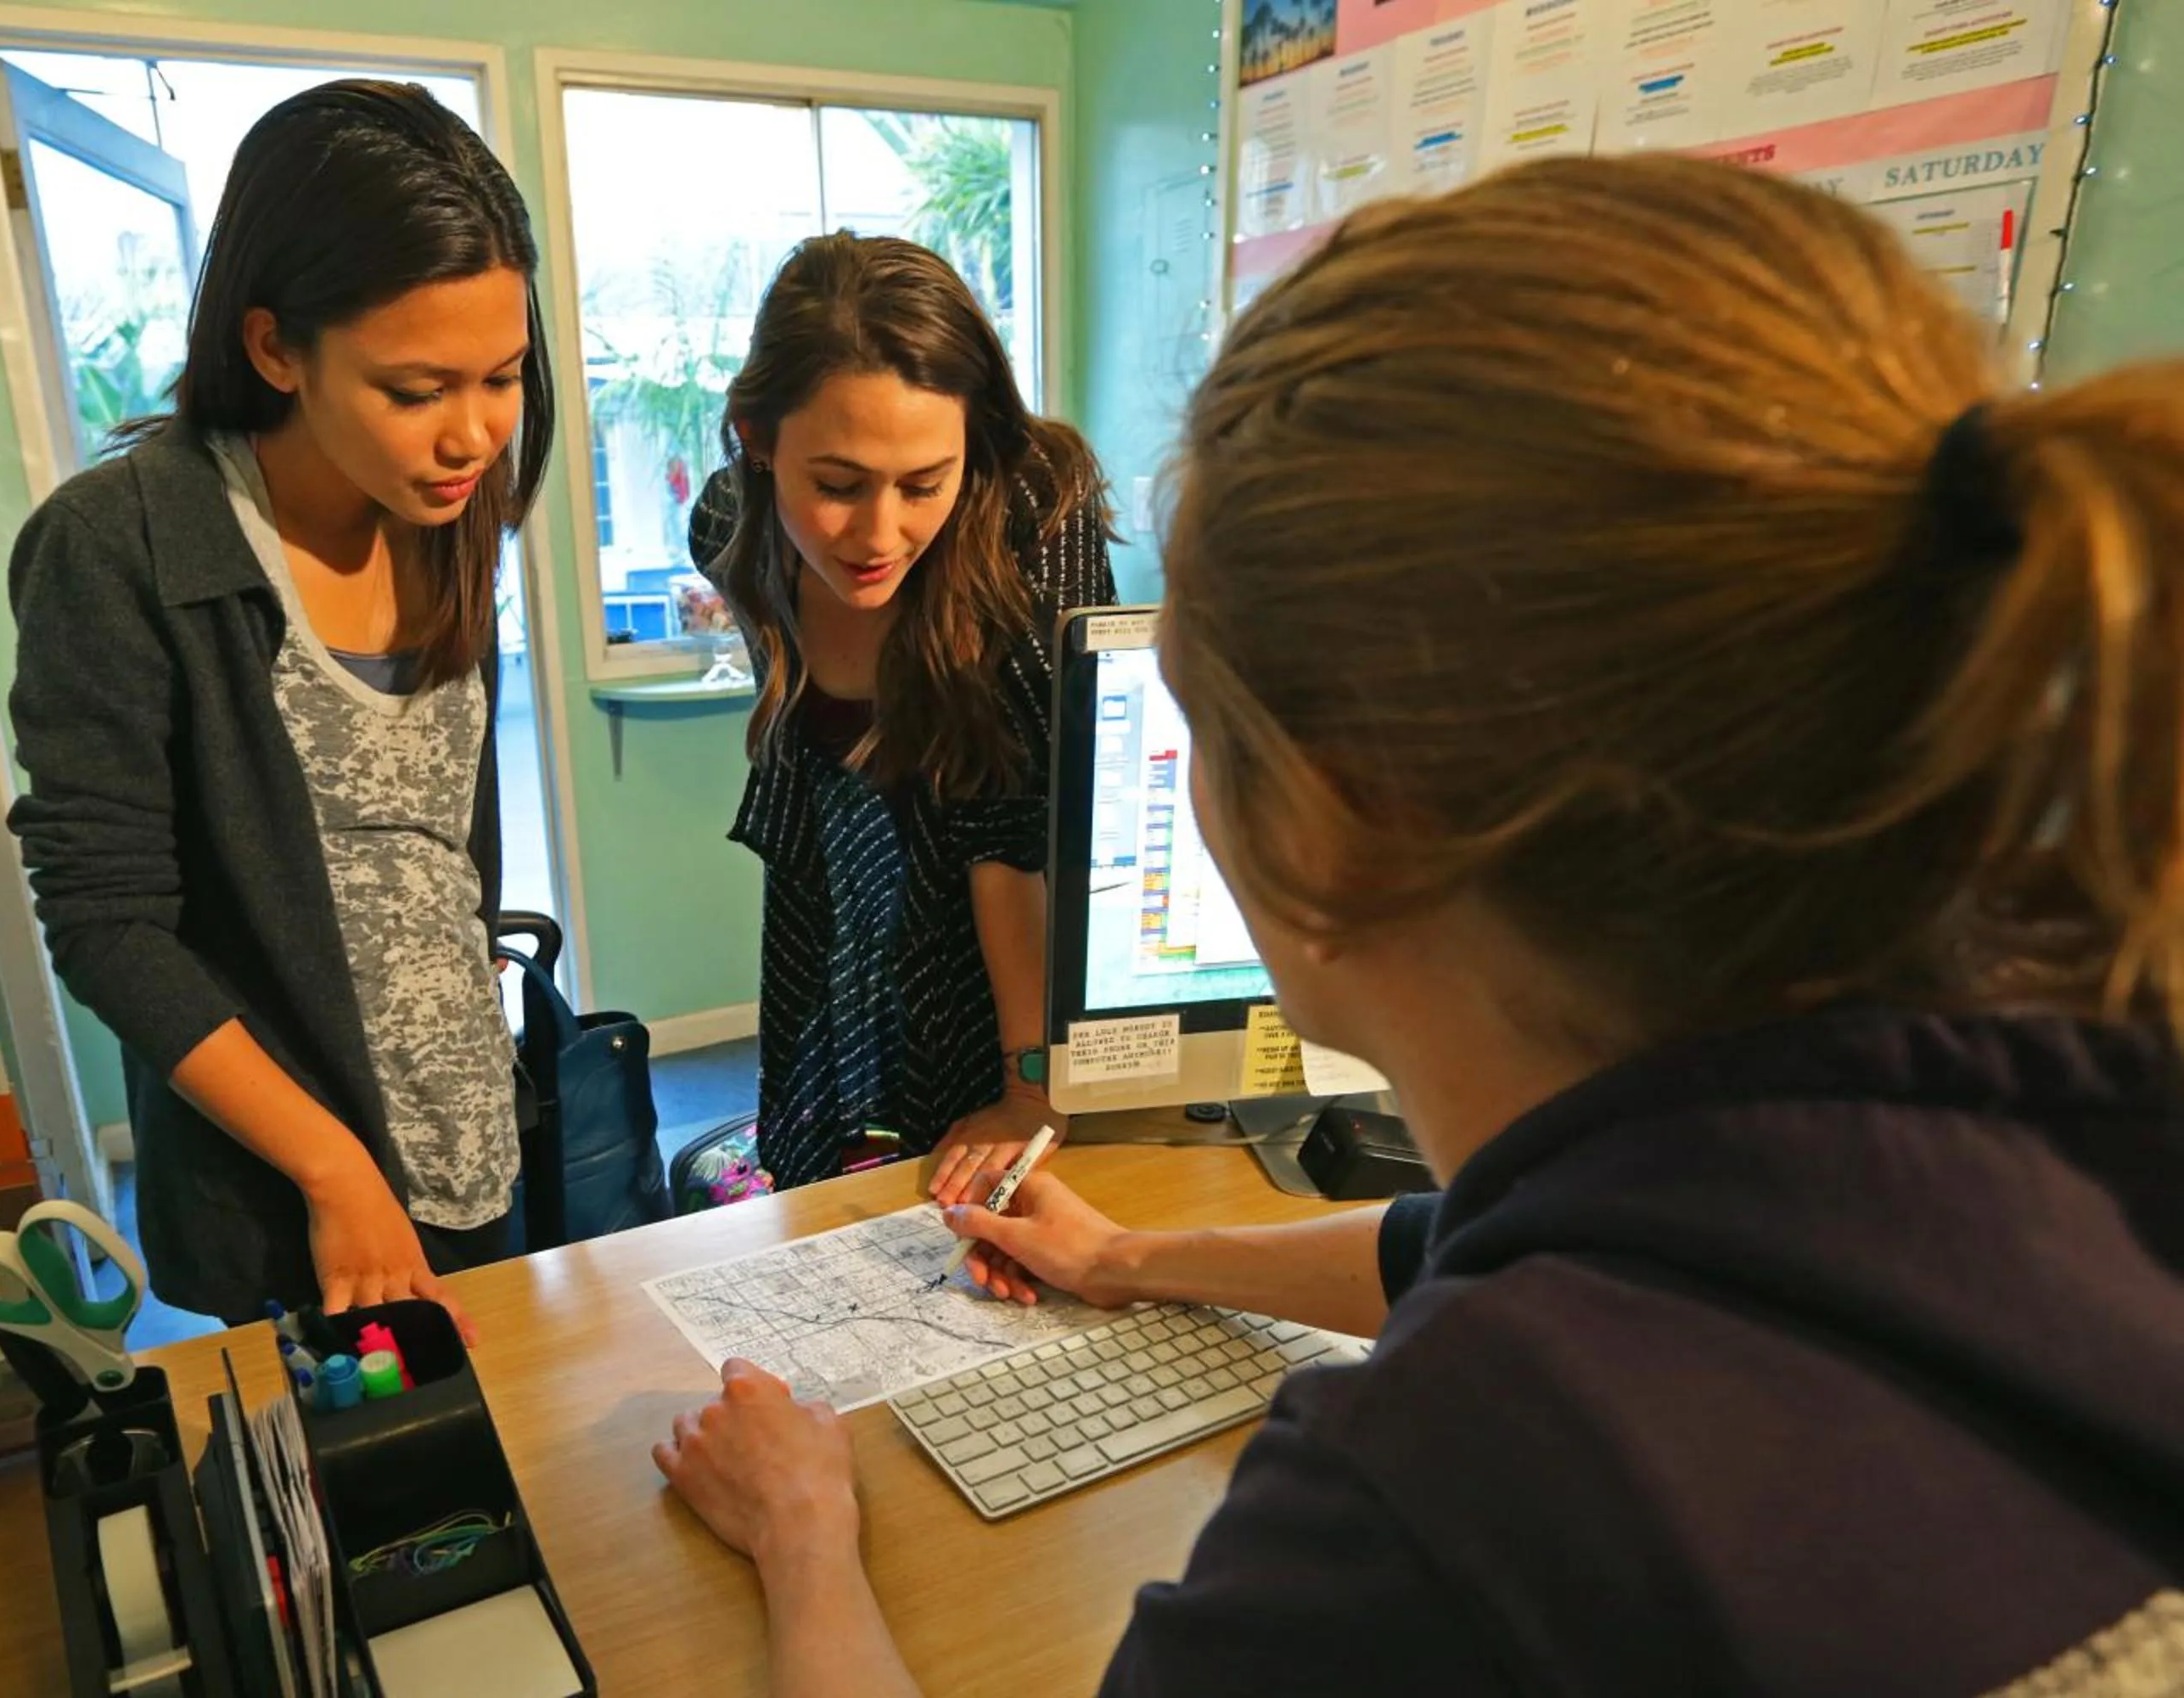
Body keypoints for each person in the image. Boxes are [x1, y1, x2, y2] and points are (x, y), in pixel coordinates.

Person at [653, 153, 2184, 1694]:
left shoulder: (1439, 1512)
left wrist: (804, 1532)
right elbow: (1469, 1239)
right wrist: (1138, 1260)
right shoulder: (2062, 1129)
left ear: (1321, 822)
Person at [6, 82, 554, 1335]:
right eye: (415, 390)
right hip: (289, 1179)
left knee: (508, 1481)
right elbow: (106, 922)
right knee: (344, 1505)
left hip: (470, 1133)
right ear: (273, 348)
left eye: (505, 377)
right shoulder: (121, 544)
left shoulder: (446, 517)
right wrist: (330, 1165)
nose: (471, 436)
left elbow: (441, 864)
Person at [688, 233, 1116, 1201]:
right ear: (758, 440)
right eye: (837, 486)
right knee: (818, 1180)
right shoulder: (726, 524)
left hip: (1006, 934)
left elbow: (1019, 830)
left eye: (926, 483)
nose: (881, 535)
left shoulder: (1035, 516)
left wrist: (1030, 1085)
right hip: (829, 897)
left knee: (981, 1195)